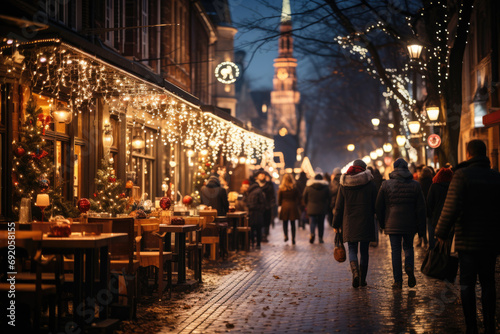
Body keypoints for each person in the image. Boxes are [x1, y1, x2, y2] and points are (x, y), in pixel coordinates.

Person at [435, 140, 500, 334]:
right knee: (489, 282)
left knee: (467, 284)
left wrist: (441, 233)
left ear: (468, 153)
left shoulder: (462, 176)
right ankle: (490, 325)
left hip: (468, 239)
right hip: (490, 239)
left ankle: (471, 326)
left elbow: (451, 207)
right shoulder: (496, 176)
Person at [376, 158, 426, 289]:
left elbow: (379, 206)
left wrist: (382, 224)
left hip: (392, 223)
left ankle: (397, 280)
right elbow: (421, 208)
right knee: (409, 247)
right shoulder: (415, 185)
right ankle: (409, 265)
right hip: (410, 223)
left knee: (395, 251)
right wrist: (421, 229)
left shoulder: (386, 185)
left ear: (394, 168)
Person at [333, 159, 377, 288]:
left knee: (352, 249)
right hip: (366, 221)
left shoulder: (344, 183)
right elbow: (376, 204)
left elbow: (339, 206)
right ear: (364, 169)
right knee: (364, 251)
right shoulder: (370, 184)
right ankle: (362, 279)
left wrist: (336, 223)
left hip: (349, 221)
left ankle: (355, 272)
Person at [426, 167, 453, 250]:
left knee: (435, 244)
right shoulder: (452, 187)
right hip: (449, 218)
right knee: (448, 242)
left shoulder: (434, 187)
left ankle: (436, 260)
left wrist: (430, 216)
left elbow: (429, 203)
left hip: (435, 219)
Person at [303, 173, 330, 244]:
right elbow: (329, 198)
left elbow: (304, 197)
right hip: (322, 208)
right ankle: (320, 238)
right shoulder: (326, 187)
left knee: (312, 222)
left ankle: (312, 234)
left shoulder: (308, 187)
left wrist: (307, 204)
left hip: (311, 208)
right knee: (321, 223)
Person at [277, 173, 301, 245]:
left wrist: (280, 205)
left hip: (284, 206)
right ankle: (293, 238)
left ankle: (285, 235)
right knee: (293, 224)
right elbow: (299, 197)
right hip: (293, 206)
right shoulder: (294, 188)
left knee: (285, 222)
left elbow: (279, 200)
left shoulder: (281, 189)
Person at [245, 176, 266, 249]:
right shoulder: (259, 191)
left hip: (251, 212)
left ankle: (253, 243)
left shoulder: (249, 191)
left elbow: (246, 202)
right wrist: (261, 209)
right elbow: (262, 202)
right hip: (258, 213)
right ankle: (258, 244)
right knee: (258, 229)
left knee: (252, 228)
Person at [255, 169, 276, 242]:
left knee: (266, 221)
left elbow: (272, 195)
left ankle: (264, 235)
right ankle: (260, 235)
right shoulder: (255, 185)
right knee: (259, 222)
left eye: (263, 175)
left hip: (267, 206)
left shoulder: (269, 185)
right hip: (258, 207)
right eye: (260, 175)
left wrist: (271, 204)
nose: (262, 176)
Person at [417, 166, 434, 248]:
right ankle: (431, 244)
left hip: (422, 206)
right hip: (430, 205)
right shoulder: (432, 182)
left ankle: (423, 240)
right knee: (430, 225)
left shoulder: (419, 183)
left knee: (422, 224)